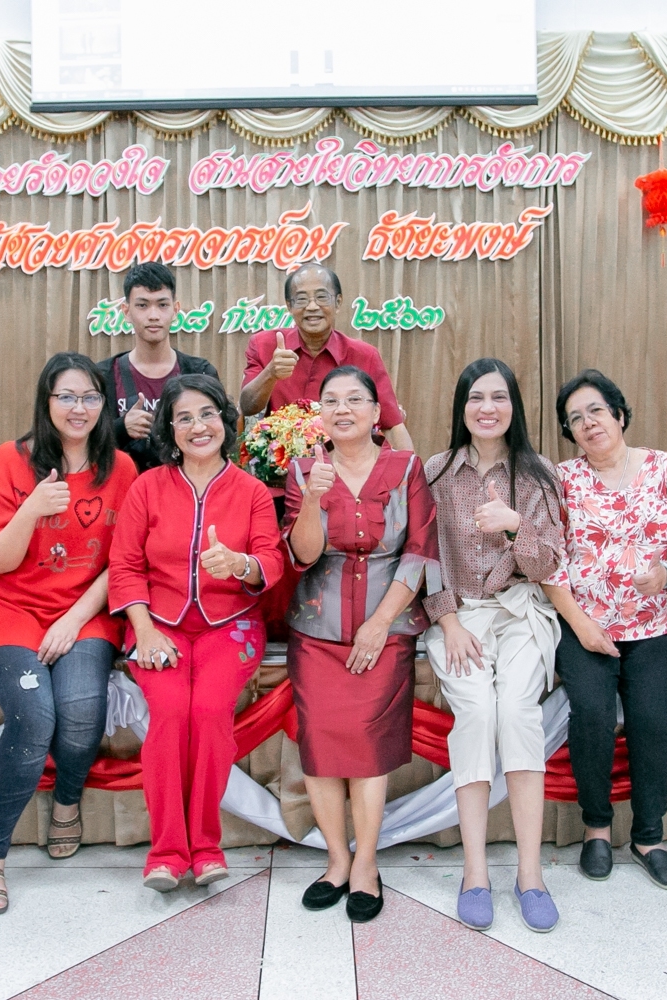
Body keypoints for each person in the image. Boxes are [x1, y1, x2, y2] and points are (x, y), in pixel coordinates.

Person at [0, 353, 138, 915]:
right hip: (8, 610)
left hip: (85, 611)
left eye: (89, 397)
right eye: (66, 396)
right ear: (46, 402)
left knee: (83, 707)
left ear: (103, 404)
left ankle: (67, 801)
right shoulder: (11, 461)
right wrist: (31, 509)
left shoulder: (122, 469)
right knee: (35, 715)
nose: (78, 408)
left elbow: (123, 562)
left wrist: (73, 619)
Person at [108, 374, 284, 891]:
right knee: (168, 714)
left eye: (207, 413)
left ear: (225, 421)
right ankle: (165, 853)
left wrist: (240, 564)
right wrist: (143, 631)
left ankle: (205, 848)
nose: (197, 426)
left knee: (208, 712)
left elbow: (271, 560)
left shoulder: (251, 491)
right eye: (183, 418)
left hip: (230, 626)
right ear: (169, 430)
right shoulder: (147, 487)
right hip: (157, 627)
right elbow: (124, 565)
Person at [284, 365, 438, 924]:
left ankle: (366, 864)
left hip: (386, 628)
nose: (343, 409)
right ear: (319, 414)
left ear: (377, 413)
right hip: (317, 631)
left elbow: (419, 551)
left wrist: (379, 624)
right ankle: (336, 861)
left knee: (369, 748)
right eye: (331, 400)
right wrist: (310, 501)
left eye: (355, 399)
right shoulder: (303, 469)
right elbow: (302, 555)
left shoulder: (407, 468)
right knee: (321, 748)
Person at [548, 369, 667, 891]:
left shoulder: (666, 468)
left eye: (596, 410)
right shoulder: (561, 480)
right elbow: (547, 559)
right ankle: (596, 828)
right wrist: (581, 625)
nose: (588, 423)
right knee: (593, 715)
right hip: (585, 627)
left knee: (649, 720)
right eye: (575, 418)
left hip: (657, 624)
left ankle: (649, 837)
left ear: (619, 413)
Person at [423, 359, 564, 933]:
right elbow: (422, 556)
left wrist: (513, 525)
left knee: (517, 713)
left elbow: (549, 564)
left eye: (499, 397)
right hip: (460, 616)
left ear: (514, 407)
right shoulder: (436, 471)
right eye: (476, 397)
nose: (487, 408)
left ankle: (530, 875)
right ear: (462, 407)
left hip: (522, 610)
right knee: (478, 713)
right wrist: (447, 620)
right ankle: (475, 873)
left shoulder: (538, 473)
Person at [240, 264, 414, 451]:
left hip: (344, 462)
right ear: (289, 306)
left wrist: (410, 469)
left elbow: (392, 425)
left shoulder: (364, 355)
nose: (312, 307)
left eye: (322, 297)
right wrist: (271, 373)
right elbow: (248, 407)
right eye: (301, 299)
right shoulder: (264, 345)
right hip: (281, 463)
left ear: (338, 302)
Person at [102, 262, 220, 472]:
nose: (153, 315)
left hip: (187, 485)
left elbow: (219, 434)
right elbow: (82, 443)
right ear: (126, 311)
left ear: (175, 309)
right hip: (123, 486)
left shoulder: (200, 372)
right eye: (142, 305)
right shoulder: (104, 375)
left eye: (162, 305)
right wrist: (121, 428)